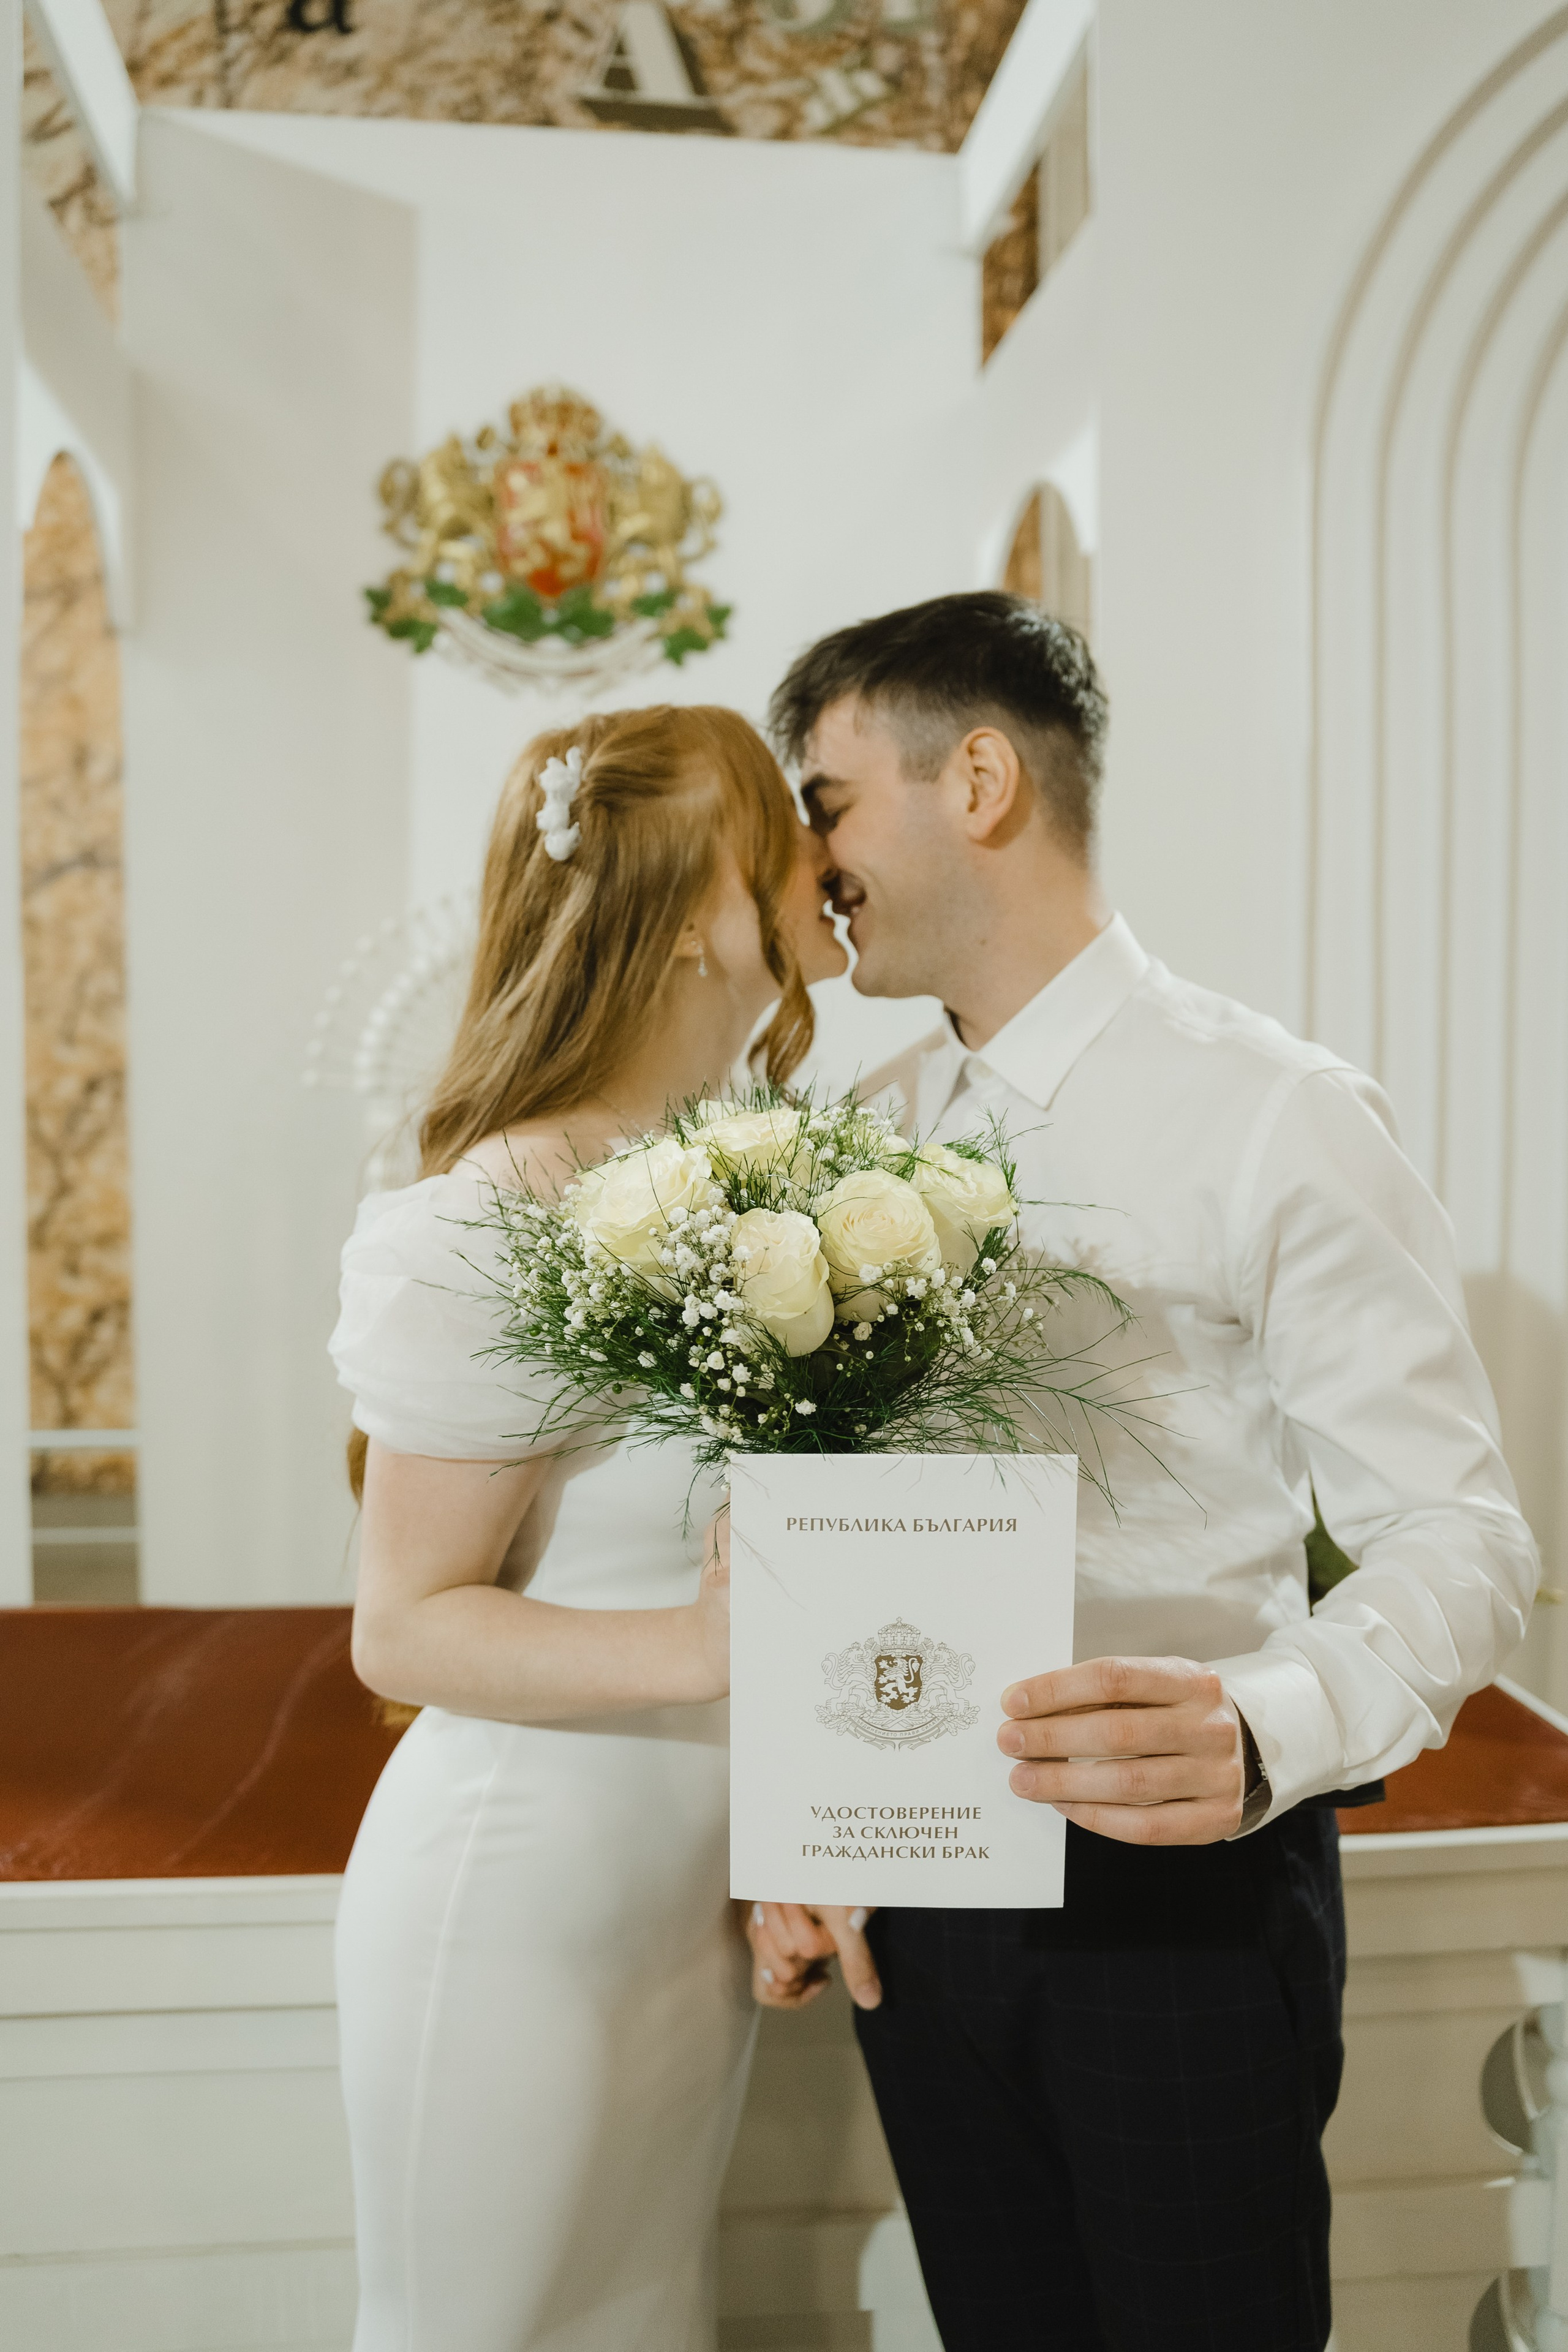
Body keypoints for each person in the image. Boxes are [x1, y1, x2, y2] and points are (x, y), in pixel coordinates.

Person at [746, 592, 1539, 2351]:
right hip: (920, 1885)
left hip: (1173, 1894)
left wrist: (1263, 1724)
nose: (811, 863)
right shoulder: (874, 1125)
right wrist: (808, 1822)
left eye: (827, 800)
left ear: (978, 778)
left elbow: (1463, 1539)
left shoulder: (1279, 1111)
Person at [327, 704, 847, 2352]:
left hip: (679, 1917)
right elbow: (400, 1626)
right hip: (519, 1898)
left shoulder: (743, 1181)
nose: (817, 864)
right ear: (701, 904)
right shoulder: (492, 1216)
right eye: (780, 834)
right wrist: (703, 1646)